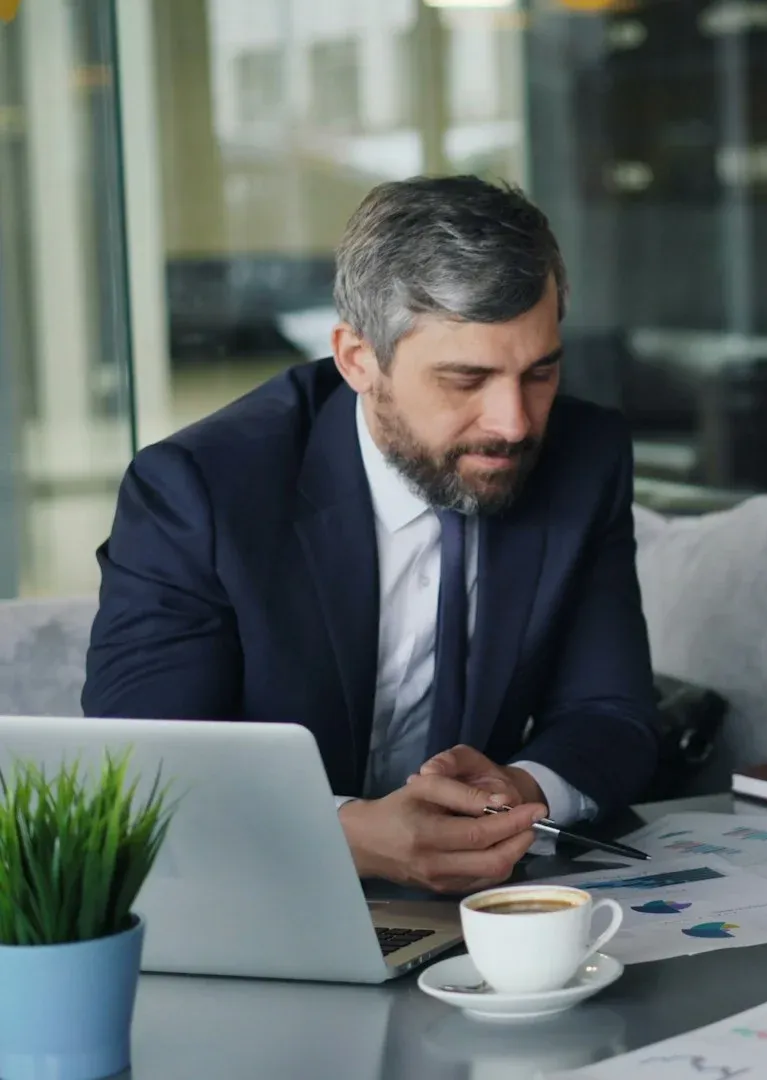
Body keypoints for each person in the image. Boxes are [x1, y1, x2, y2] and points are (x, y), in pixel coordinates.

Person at [83, 176, 660, 895]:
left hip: (481, 907)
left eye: (539, 372)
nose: (514, 422)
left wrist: (516, 788)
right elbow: (147, 773)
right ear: (358, 359)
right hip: (260, 901)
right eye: (465, 379)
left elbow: (612, 714)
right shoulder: (198, 492)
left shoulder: (586, 456)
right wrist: (348, 836)